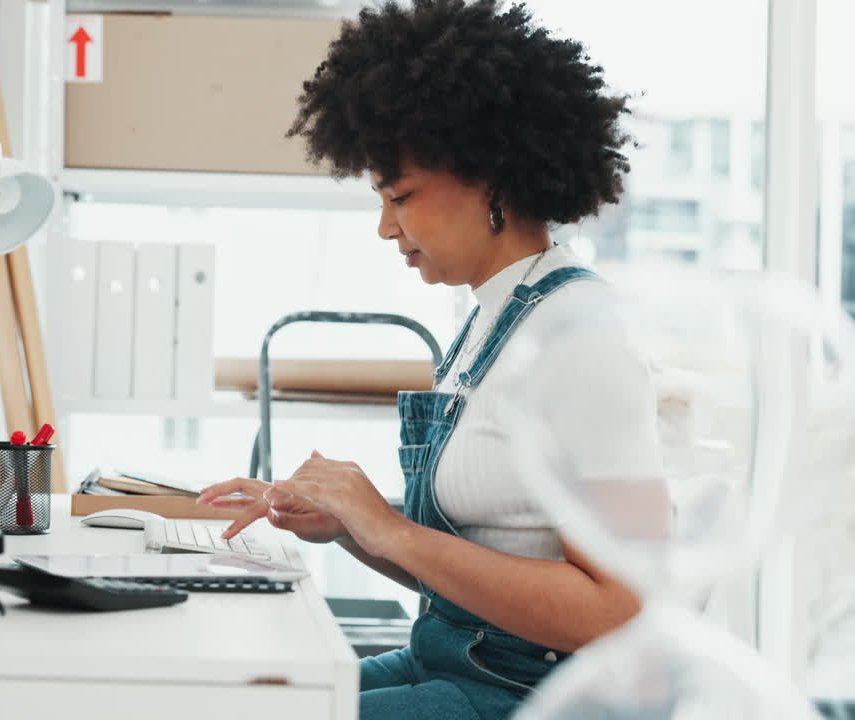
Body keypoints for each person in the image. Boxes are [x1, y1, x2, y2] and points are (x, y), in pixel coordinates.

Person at [197, 1, 664, 718]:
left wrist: (388, 527)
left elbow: (618, 613)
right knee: (231, 700)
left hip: (531, 698)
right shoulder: (494, 319)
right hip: (449, 662)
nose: (386, 226)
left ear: (493, 175)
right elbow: (470, 565)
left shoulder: (581, 339)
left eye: (401, 195)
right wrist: (346, 523)